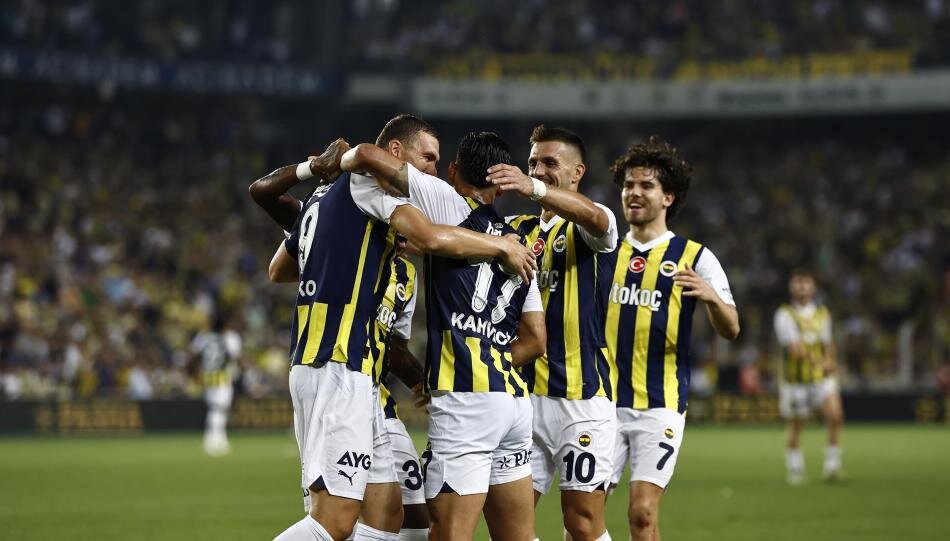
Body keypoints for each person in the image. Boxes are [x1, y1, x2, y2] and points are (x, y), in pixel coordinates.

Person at [259, 117, 537, 541]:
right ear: (395, 151)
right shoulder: (370, 184)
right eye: (427, 157)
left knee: (393, 511)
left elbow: (281, 269)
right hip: (336, 363)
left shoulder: (331, 203)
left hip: (362, 379)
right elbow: (431, 237)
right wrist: (502, 245)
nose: (432, 170)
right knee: (334, 521)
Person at [340, 132, 547, 541]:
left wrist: (327, 164)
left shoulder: (446, 200)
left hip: (467, 402)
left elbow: (366, 155)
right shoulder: (520, 245)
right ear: (502, 183)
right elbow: (536, 339)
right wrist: (490, 361)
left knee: (449, 534)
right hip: (512, 401)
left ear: (453, 170)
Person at [602, 136, 740, 541]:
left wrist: (711, 297)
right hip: (600, 403)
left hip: (660, 404)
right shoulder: (603, 251)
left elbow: (732, 328)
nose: (634, 192)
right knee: (582, 512)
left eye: (646, 185)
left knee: (642, 513)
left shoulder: (695, 257)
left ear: (668, 197)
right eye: (629, 185)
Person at [487, 125, 618, 541]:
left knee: (581, 523)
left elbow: (594, 217)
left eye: (549, 162)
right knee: (509, 526)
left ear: (578, 172)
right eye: (532, 163)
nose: (538, 170)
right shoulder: (516, 229)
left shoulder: (592, 226)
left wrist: (534, 188)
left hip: (581, 400)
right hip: (523, 402)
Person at [774, 268, 845, 484]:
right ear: (791, 287)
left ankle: (832, 466)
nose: (802, 287)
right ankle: (795, 468)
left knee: (835, 415)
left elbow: (827, 343)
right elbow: (794, 349)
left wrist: (832, 362)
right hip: (796, 379)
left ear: (813, 287)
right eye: (798, 283)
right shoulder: (785, 314)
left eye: (806, 283)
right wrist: (822, 363)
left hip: (821, 377)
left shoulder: (822, 313)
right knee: (797, 424)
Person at [190, 312, 242, 456]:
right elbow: (235, 357)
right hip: (223, 377)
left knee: (216, 408)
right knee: (219, 409)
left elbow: (193, 354)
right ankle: (213, 440)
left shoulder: (203, 337)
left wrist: (194, 373)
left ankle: (218, 439)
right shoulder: (231, 337)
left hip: (207, 376)